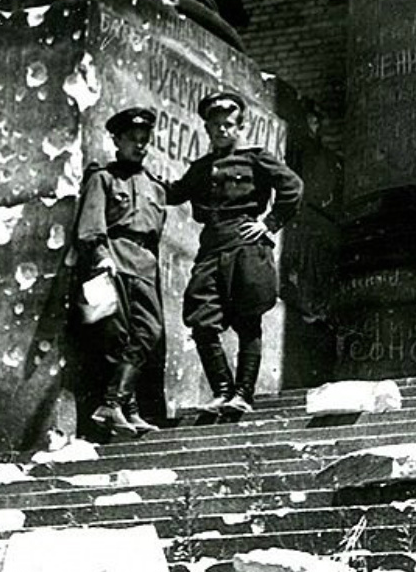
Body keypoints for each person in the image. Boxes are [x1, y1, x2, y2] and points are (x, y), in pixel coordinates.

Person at [166, 91, 304, 419]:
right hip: (212, 246)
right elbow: (173, 193)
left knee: (248, 318)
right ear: (207, 128)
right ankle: (223, 390)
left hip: (246, 245)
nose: (222, 130)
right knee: (201, 318)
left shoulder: (256, 159)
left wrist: (268, 224)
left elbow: (293, 187)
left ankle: (242, 394)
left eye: (228, 124)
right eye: (215, 125)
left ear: (240, 127)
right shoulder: (201, 168)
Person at [73, 106, 167, 436]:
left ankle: (113, 404)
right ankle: (126, 409)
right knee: (117, 338)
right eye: (132, 139)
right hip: (113, 260)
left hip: (144, 266)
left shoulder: (155, 187)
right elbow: (90, 225)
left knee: (149, 333)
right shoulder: (103, 178)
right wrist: (100, 255)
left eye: (144, 139)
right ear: (117, 140)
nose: (139, 145)